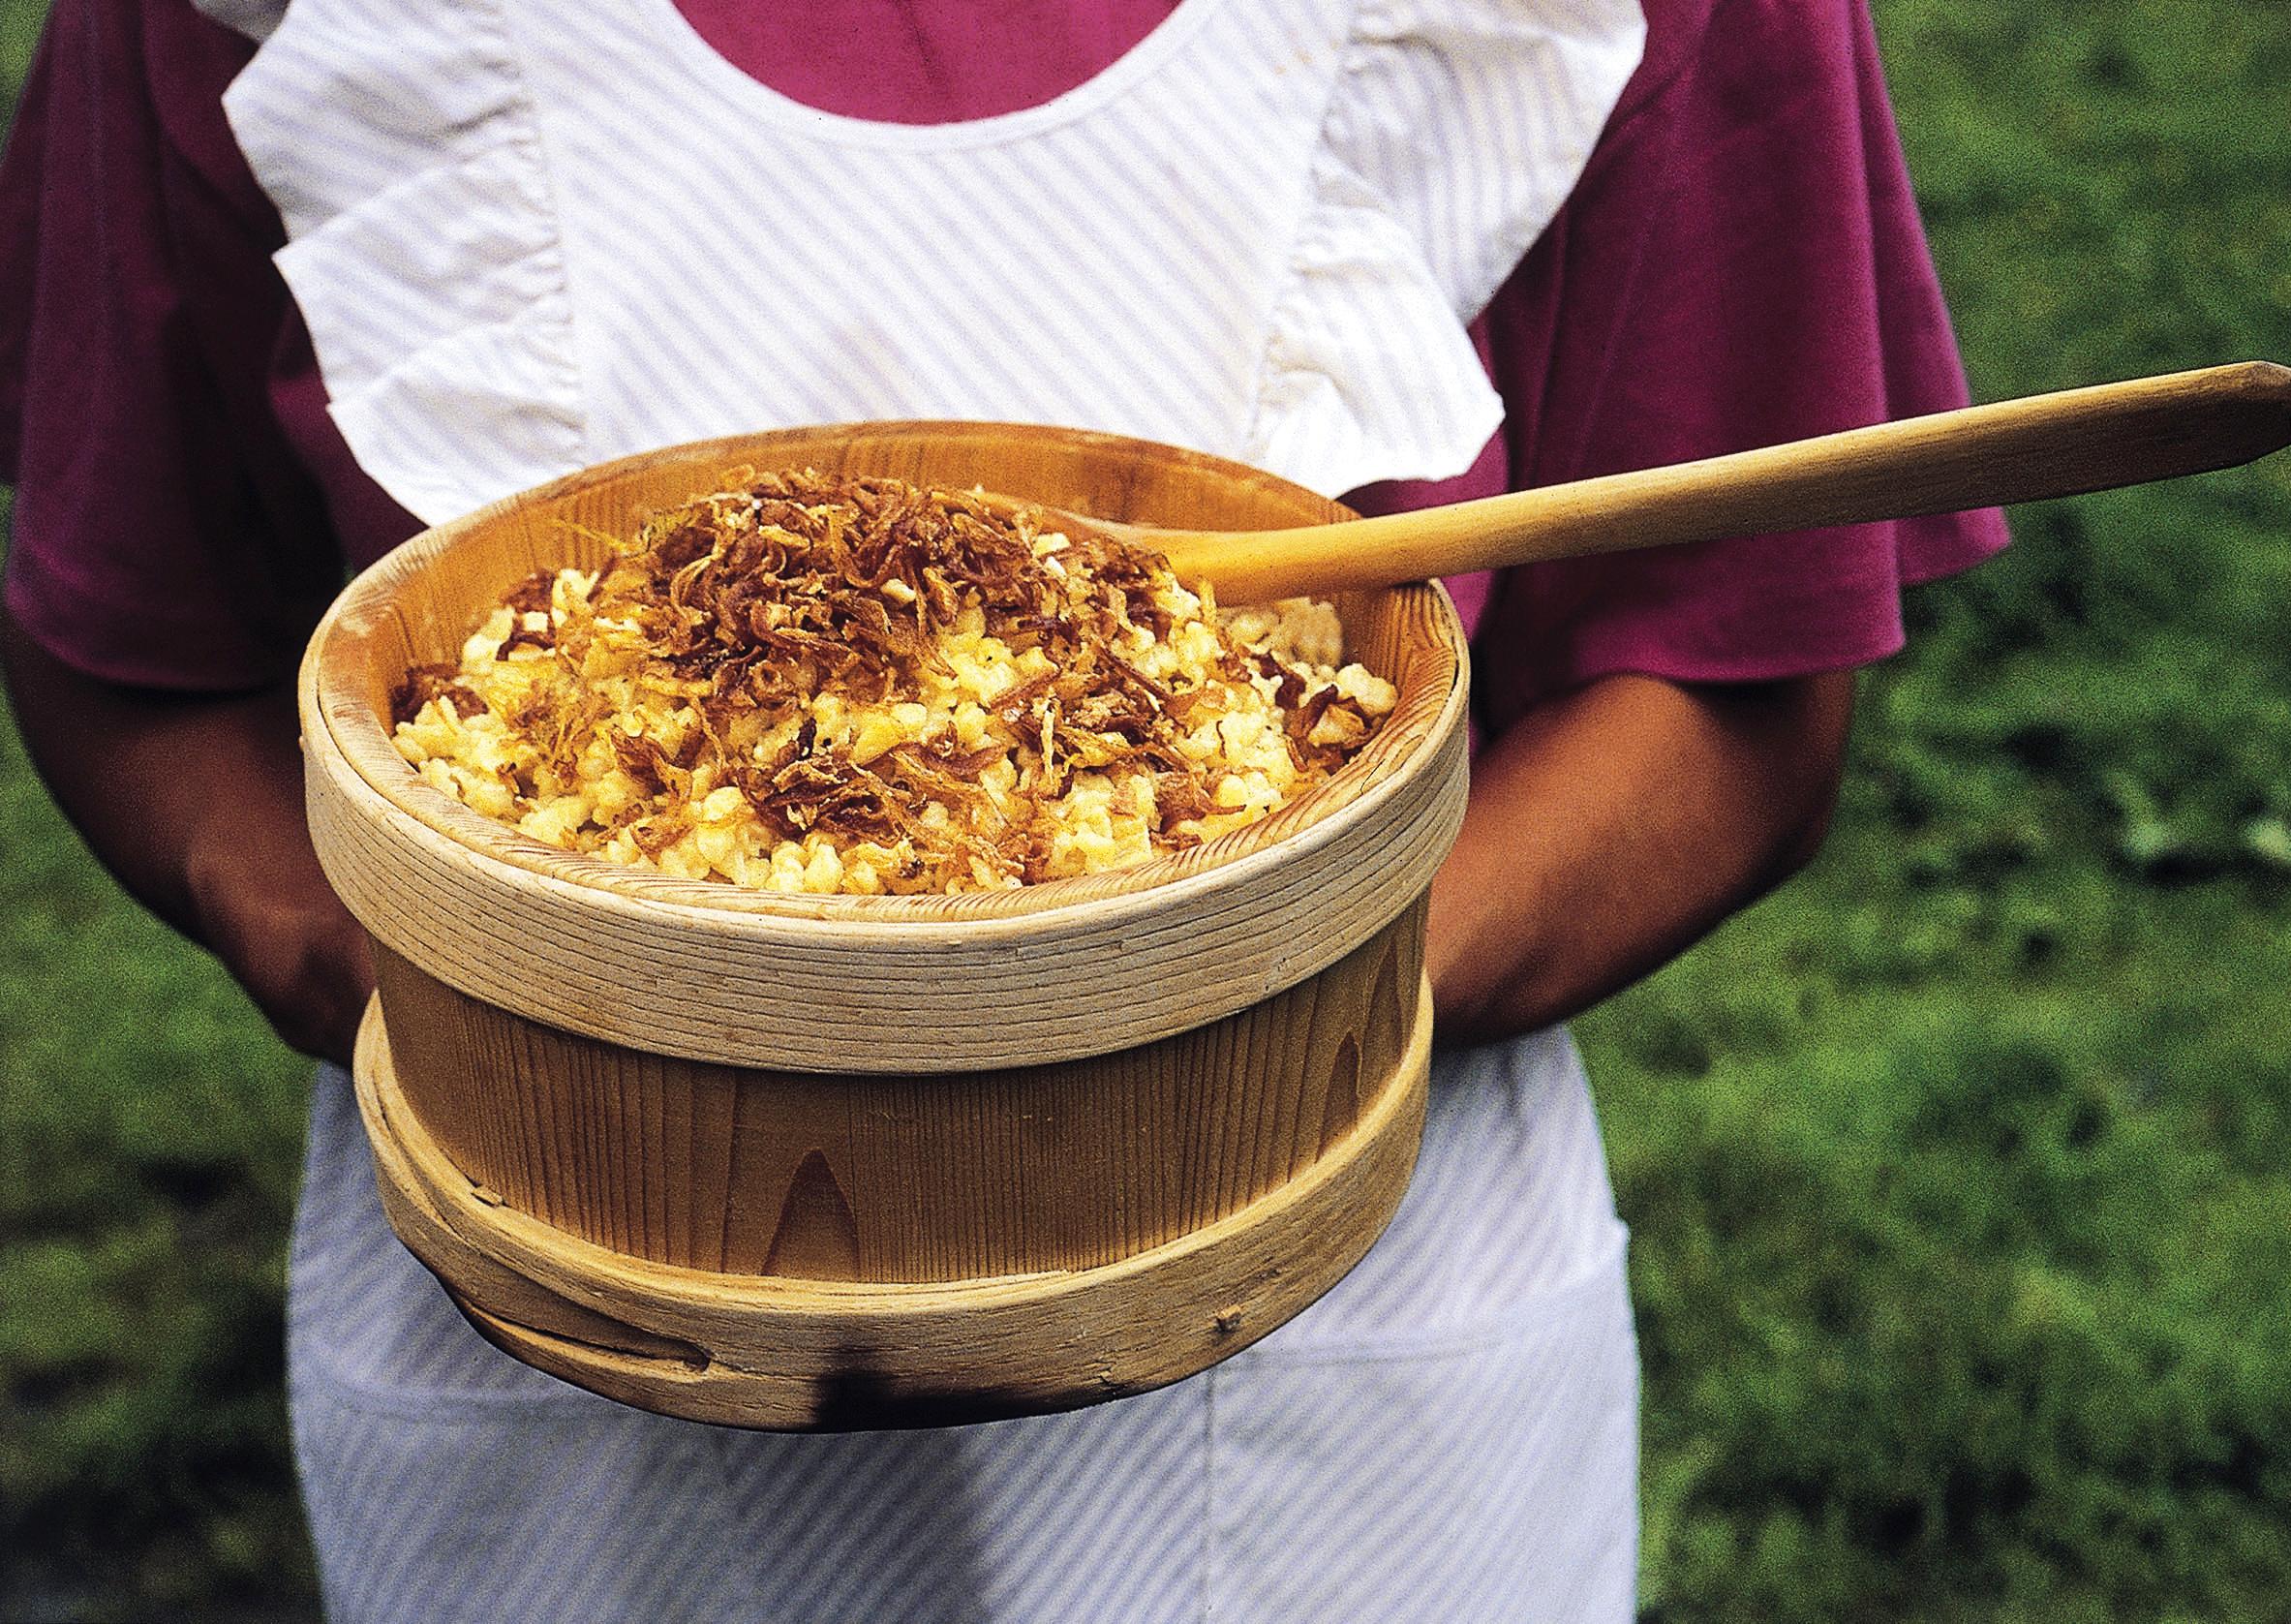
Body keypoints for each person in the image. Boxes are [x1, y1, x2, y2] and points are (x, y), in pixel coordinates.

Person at [0, 0, 2005, 1617]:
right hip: (568, 1338)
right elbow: (136, 639)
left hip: (1319, 1345)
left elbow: (1729, 694)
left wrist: (1204, 1042)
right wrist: (477, 1002)